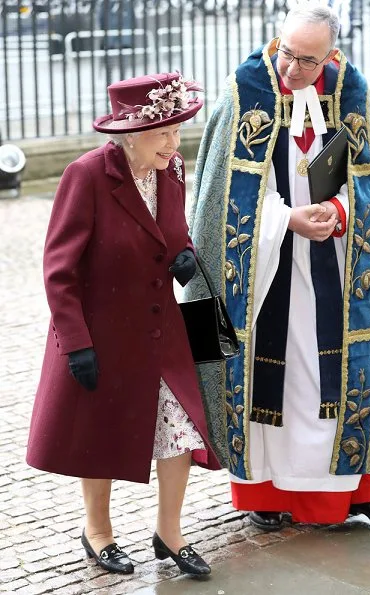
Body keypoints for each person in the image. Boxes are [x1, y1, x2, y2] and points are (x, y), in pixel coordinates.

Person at [188, 3, 370, 531]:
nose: (292, 69)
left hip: (336, 260)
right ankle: (264, 494)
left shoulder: (349, 91)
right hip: (267, 275)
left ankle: (362, 490)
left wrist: (336, 213)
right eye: (287, 53)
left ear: (331, 55)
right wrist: (286, 219)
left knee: (349, 370)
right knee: (276, 381)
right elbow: (221, 201)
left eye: (308, 61)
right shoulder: (245, 90)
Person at [26, 72, 220, 576]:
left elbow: (174, 233)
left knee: (181, 429)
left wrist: (184, 255)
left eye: (178, 131)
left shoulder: (171, 168)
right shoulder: (87, 175)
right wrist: (75, 344)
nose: (175, 143)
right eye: (164, 133)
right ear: (131, 133)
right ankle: (99, 533)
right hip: (101, 333)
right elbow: (58, 268)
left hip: (162, 331)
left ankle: (170, 533)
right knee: (101, 431)